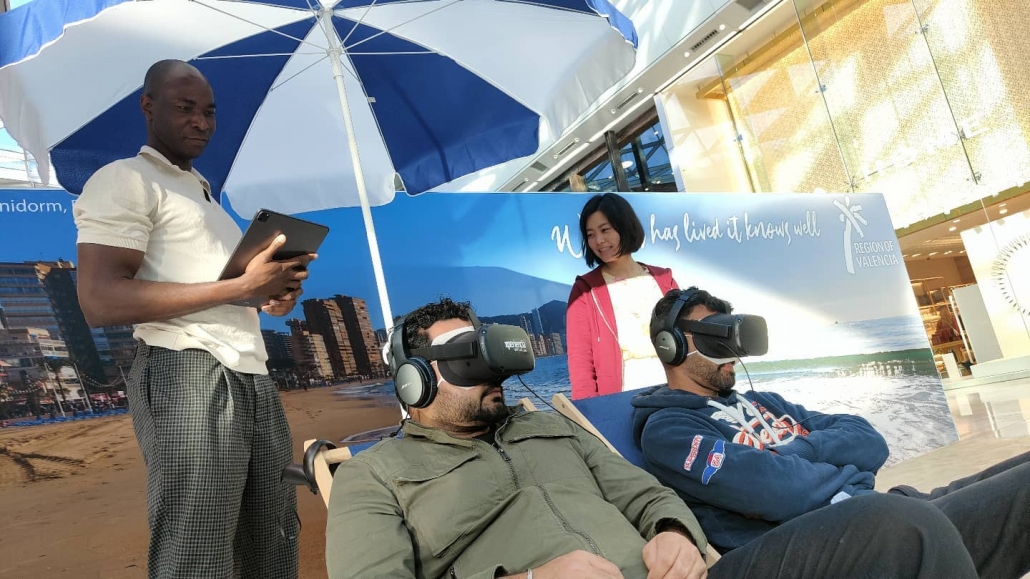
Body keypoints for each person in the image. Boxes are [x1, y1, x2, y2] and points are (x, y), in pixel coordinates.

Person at [325, 297, 983, 579]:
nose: (492, 370)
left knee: (901, 523)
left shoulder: (546, 426)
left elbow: (643, 493)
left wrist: (673, 530)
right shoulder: (371, 478)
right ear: (412, 382)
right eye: (468, 358)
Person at [73, 59, 313, 579]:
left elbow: (229, 296)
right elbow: (100, 299)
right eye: (185, 108)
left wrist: (270, 297)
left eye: (208, 112)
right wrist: (240, 287)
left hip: (251, 376)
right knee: (197, 546)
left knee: (273, 540)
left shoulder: (206, 195)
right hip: (187, 373)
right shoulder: (124, 179)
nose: (201, 122)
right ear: (148, 106)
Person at [632, 287, 1030, 579]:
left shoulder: (766, 401)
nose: (730, 353)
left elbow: (868, 440)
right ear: (672, 346)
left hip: (880, 516)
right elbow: (777, 492)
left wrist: (795, 449)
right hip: (836, 542)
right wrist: (841, 473)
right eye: (711, 337)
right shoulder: (669, 429)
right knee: (898, 517)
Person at [567, 193, 679, 400]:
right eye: (590, 234)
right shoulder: (584, 290)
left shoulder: (664, 279)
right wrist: (588, 412)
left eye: (605, 230)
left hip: (675, 388)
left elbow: (686, 338)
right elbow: (580, 361)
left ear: (625, 226)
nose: (598, 241)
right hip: (624, 396)